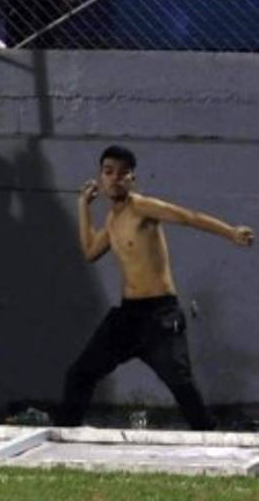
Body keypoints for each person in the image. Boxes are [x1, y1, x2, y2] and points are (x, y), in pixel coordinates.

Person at [59, 146, 253, 430]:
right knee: (79, 374)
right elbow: (90, 252)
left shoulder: (141, 206)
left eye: (123, 173)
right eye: (108, 172)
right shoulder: (113, 219)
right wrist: (82, 207)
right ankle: (66, 434)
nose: (115, 178)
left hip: (160, 315)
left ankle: (210, 437)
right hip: (127, 317)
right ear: (100, 178)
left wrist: (231, 232)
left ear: (132, 179)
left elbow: (188, 216)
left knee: (182, 385)